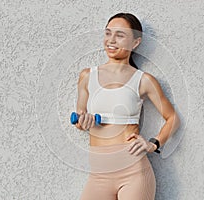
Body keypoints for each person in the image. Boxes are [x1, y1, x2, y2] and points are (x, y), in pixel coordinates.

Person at [75, 12, 181, 200]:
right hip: (99, 173)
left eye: (120, 35)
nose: (111, 40)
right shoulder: (86, 76)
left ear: (136, 43)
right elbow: (80, 121)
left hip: (133, 171)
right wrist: (83, 122)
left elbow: (172, 118)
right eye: (108, 33)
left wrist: (153, 144)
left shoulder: (143, 80)